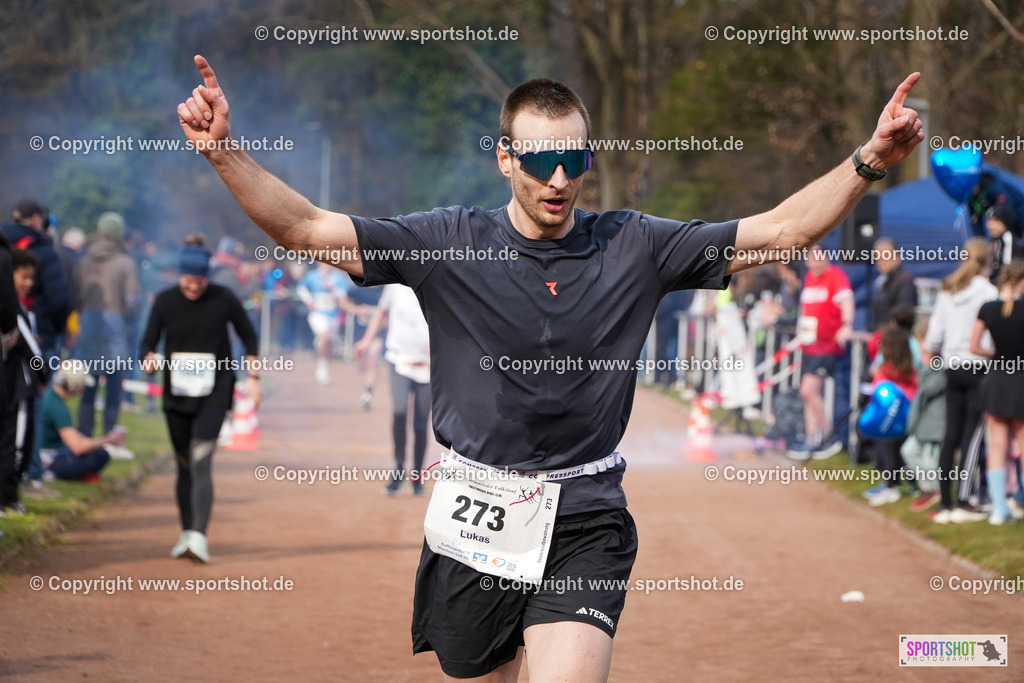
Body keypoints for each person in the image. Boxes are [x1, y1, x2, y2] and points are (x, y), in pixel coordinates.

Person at [177, 55, 923, 680]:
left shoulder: (635, 243)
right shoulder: (448, 242)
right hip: (479, 514)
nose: (559, 178)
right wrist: (223, 152)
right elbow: (306, 227)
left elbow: (782, 230)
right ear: (505, 158)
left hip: (586, 514)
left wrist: (869, 162)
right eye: (539, 161)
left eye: (575, 160)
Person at [140, 234, 261, 563]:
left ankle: (199, 537)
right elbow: (147, 342)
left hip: (214, 392)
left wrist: (253, 377)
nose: (193, 287)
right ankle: (186, 533)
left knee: (200, 461)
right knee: (183, 466)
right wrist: (148, 359)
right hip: (177, 397)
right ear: (179, 276)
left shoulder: (222, 299)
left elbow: (249, 334)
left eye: (199, 281)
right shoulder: (165, 301)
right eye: (187, 281)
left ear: (207, 277)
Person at [922, 237, 997, 524]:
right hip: (978, 365)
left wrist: (932, 352)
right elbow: (989, 334)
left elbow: (934, 334)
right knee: (972, 434)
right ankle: (964, 500)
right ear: (987, 261)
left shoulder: (948, 290)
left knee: (950, 433)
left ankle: (945, 500)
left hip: (952, 366)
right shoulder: (988, 292)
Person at [2, 199, 71, 500]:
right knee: (28, 413)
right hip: (35, 341)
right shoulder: (43, 249)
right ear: (36, 219)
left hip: (19, 337)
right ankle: (27, 478)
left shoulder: (5, 243)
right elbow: (59, 300)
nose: (28, 283)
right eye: (24, 278)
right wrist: (52, 330)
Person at [73, 211, 142, 458]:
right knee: (114, 389)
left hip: (88, 330)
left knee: (87, 389)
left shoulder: (82, 261)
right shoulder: (126, 263)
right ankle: (110, 440)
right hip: (116, 332)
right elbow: (133, 301)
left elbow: (76, 298)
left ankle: (84, 438)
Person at [355, 284, 432, 496]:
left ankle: (417, 478)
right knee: (399, 412)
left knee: (420, 422)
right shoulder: (395, 286)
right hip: (399, 359)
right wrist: (366, 340)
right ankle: (398, 472)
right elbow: (381, 313)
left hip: (427, 364)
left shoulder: (435, 279)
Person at [786, 244, 854, 461]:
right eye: (811, 259)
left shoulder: (835, 276)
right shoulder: (809, 280)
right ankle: (811, 439)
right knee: (808, 395)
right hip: (810, 346)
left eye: (818, 258)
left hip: (827, 347)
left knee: (808, 391)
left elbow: (847, 300)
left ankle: (828, 436)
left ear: (826, 258)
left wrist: (847, 324)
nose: (815, 263)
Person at [970, 261, 1024, 525]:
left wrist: (998, 356)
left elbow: (974, 346)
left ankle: (998, 510)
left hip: (996, 379)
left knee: (997, 447)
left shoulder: (988, 308)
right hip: (1020, 380)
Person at [39, 365, 124, 483]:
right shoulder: (58, 407)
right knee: (101, 455)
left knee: (97, 453)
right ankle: (56, 473)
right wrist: (107, 440)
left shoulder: (50, 397)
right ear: (75, 387)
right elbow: (77, 447)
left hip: (47, 453)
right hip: (47, 459)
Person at [864, 326, 919, 507]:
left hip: (889, 421)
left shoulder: (884, 372)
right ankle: (912, 485)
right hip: (908, 418)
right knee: (903, 454)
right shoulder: (911, 371)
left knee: (889, 453)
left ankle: (890, 487)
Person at [297, 261, 358, 385]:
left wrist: (333, 288)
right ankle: (322, 364)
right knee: (325, 337)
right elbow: (301, 288)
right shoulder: (312, 276)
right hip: (317, 314)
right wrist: (309, 301)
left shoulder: (338, 278)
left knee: (329, 341)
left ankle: (324, 365)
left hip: (333, 315)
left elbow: (343, 295)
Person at [870, 237, 917, 331]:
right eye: (877, 257)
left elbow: (903, 319)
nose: (880, 262)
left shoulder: (904, 282)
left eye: (885, 256)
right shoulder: (885, 282)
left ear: (897, 257)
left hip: (895, 340)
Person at [986, 203, 1021, 285]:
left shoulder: (1008, 238)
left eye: (995, 220)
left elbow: (1007, 269)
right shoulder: (995, 240)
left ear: (1005, 222)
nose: (990, 225)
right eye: (989, 220)